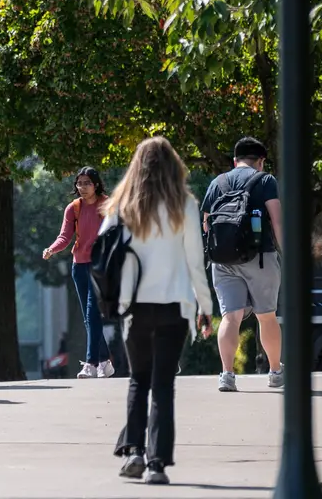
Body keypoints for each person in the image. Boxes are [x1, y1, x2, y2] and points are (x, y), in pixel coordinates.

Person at [106, 136, 215, 487]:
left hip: (135, 305)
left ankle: (134, 451)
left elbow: (104, 252)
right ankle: (157, 464)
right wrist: (205, 307)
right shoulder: (184, 204)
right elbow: (195, 262)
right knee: (163, 384)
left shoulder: (122, 205)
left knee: (139, 379)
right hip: (175, 307)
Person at [202, 136, 283, 391]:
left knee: (230, 317)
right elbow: (277, 220)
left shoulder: (218, 182)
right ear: (261, 161)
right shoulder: (266, 180)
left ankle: (227, 375)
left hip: (223, 259)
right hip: (259, 256)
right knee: (266, 316)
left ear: (234, 160)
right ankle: (275, 372)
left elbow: (206, 223)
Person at [43, 167, 114, 378]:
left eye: (87, 183)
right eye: (79, 183)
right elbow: (64, 237)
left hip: (100, 265)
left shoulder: (107, 205)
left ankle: (91, 363)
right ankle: (105, 362)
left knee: (92, 312)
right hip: (79, 266)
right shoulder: (73, 208)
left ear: (96, 184)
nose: (82, 187)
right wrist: (52, 249)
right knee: (88, 316)